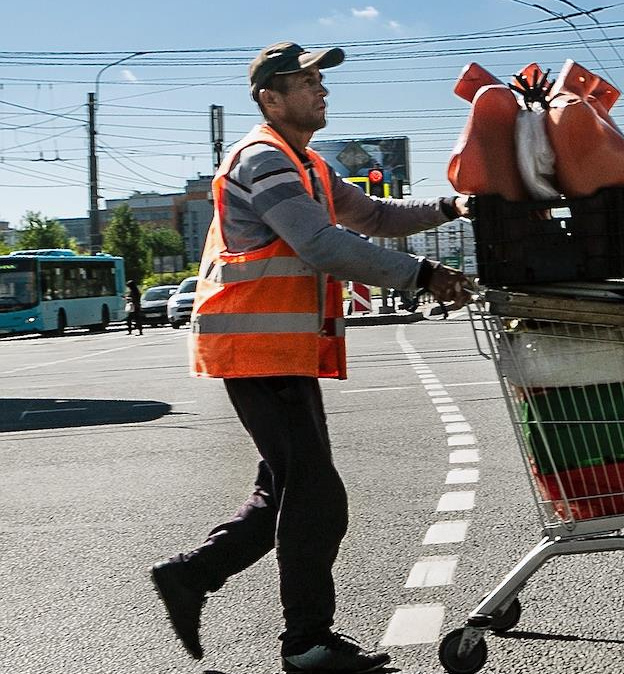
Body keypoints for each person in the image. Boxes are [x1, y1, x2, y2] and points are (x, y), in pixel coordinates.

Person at [149, 42, 476, 674]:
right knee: (317, 495)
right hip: (255, 348)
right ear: (270, 98)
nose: (321, 90)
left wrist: (447, 206)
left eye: (320, 80)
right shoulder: (263, 160)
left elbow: (375, 217)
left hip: (278, 349)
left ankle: (189, 577)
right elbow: (323, 245)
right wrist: (425, 274)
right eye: (305, 82)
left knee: (284, 490)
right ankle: (305, 644)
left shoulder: (308, 164)